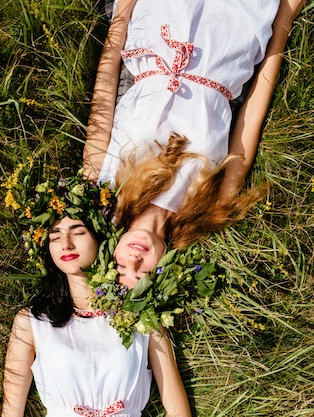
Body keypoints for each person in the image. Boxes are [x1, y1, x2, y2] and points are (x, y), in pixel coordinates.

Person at [82, 0, 306, 282]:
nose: (134, 260)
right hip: (230, 41)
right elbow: (251, 119)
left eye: (120, 268)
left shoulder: (103, 185)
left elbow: (102, 95)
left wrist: (122, 12)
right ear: (165, 270)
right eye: (142, 275)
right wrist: (284, 19)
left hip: (160, 22)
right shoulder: (209, 206)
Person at [0, 173, 191, 417]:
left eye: (78, 232)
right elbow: (11, 413)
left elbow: (177, 410)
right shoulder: (32, 323)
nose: (66, 244)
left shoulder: (141, 317)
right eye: (55, 237)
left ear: (100, 238)